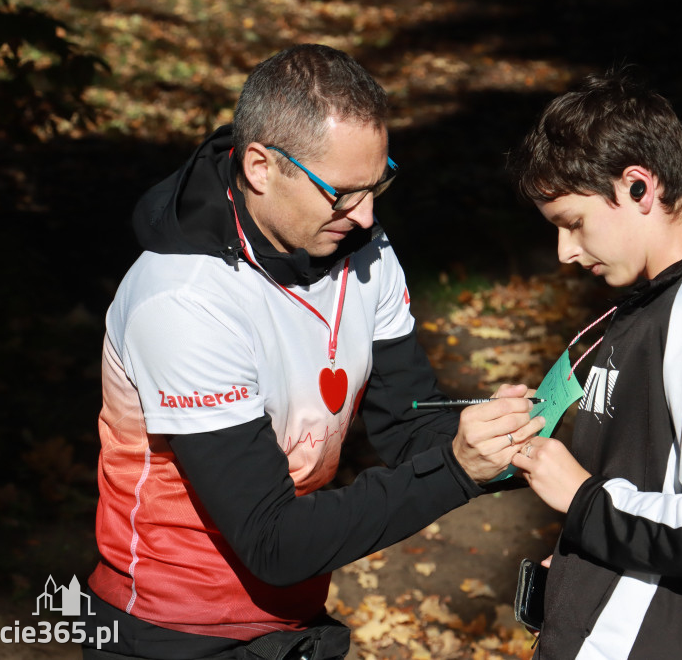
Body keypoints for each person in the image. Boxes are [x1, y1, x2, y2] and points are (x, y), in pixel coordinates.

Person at [81, 44, 544, 660]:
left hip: (291, 620)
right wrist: (458, 471)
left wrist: (527, 441)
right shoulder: (183, 300)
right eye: (342, 193)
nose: (366, 215)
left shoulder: (365, 251)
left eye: (379, 186)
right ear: (260, 168)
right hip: (166, 634)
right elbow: (272, 542)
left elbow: (409, 425)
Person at [506, 69, 682, 659]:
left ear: (638, 188)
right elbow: (640, 488)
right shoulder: (642, 308)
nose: (564, 252)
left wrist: (584, 501)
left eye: (573, 224)